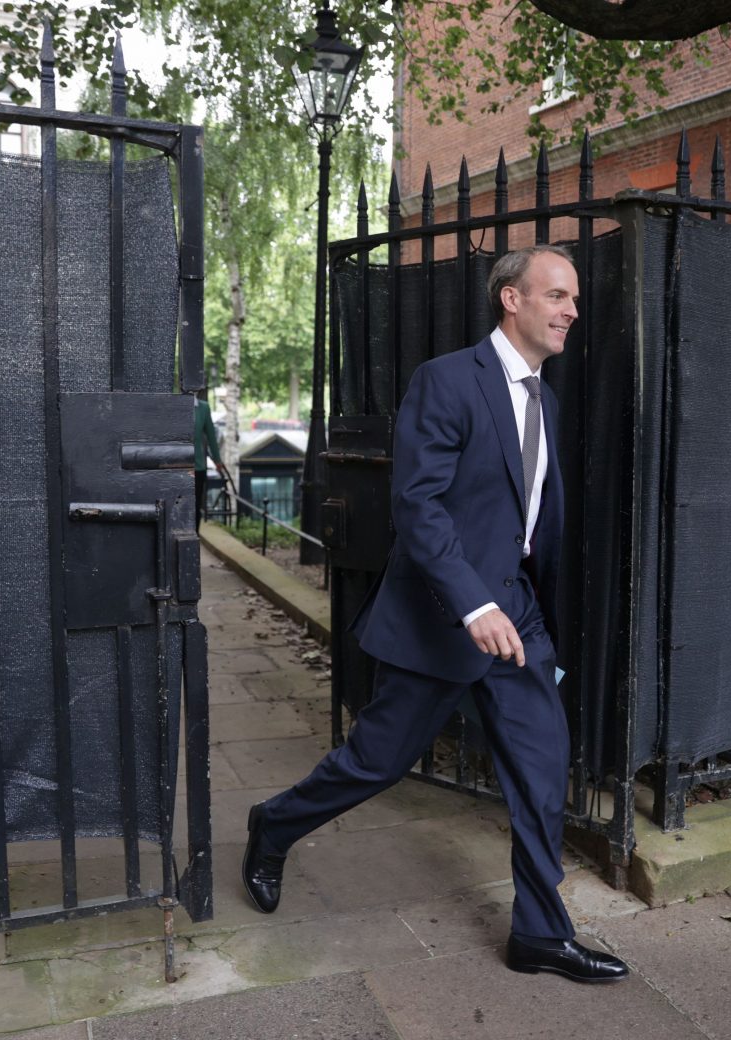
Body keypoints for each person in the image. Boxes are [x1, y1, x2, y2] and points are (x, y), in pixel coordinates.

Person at [241, 245, 628, 984]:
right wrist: (472, 602)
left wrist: (516, 602)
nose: (572, 311)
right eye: (557, 295)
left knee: (542, 765)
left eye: (574, 298)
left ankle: (540, 934)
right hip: (443, 617)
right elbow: (417, 506)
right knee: (376, 763)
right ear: (511, 298)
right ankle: (275, 824)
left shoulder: (545, 400)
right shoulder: (447, 380)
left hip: (517, 616)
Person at [192, 391, 224, 520]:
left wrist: (217, 461)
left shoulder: (203, 408)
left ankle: (195, 531)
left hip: (197, 466)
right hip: (177, 466)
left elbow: (211, 437)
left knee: (195, 505)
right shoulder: (173, 403)